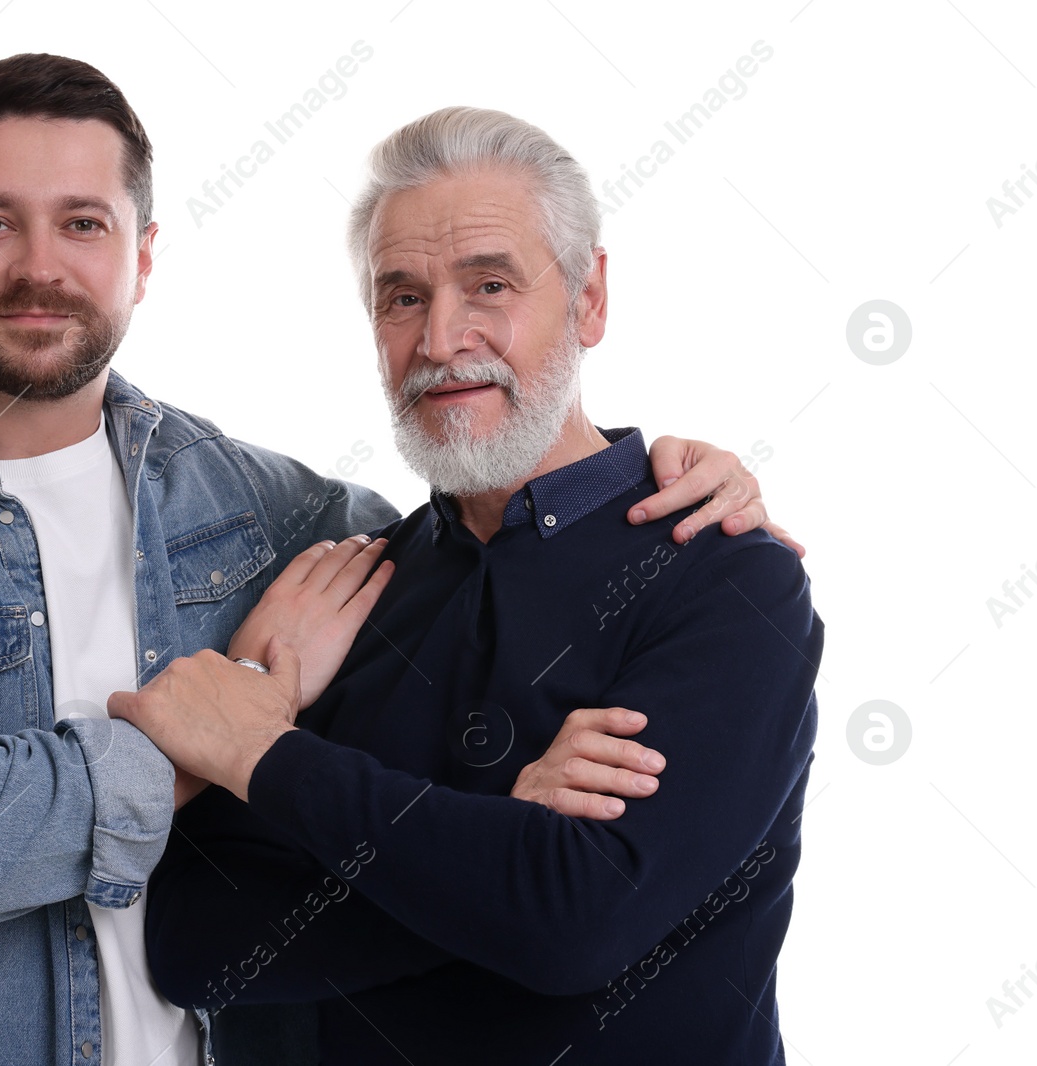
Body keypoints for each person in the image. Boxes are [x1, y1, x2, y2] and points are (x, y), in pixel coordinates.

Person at [0, 55, 794, 1066]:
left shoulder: (264, 513)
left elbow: (566, 909)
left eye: (83, 222)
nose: (40, 267)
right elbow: (12, 864)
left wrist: (677, 466)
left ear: (142, 256)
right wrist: (257, 729)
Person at [115, 106, 822, 1064]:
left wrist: (263, 754)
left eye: (489, 284)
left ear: (588, 298)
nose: (443, 338)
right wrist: (504, 847)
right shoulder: (341, 592)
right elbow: (198, 947)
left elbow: (577, 925)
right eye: (401, 297)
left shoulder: (726, 577)